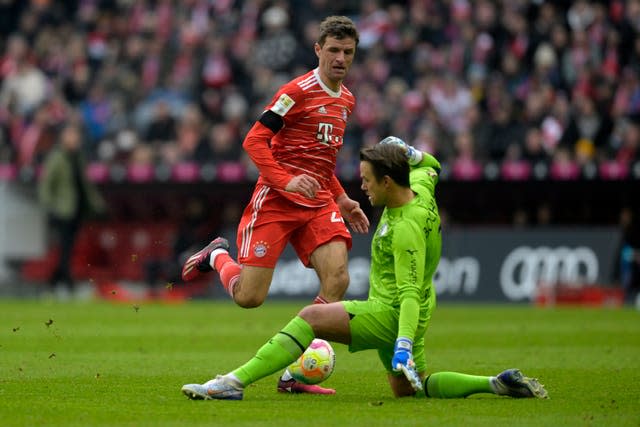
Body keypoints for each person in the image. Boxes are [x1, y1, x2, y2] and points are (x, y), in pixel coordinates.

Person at [181, 140, 549, 401]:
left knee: (310, 316)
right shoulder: (418, 187)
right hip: (420, 307)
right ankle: (495, 383)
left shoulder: (403, 229)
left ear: (387, 181)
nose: (362, 187)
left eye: (368, 180)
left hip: (392, 313)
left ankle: (234, 381)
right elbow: (431, 165)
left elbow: (404, 295)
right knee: (409, 387)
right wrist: (409, 151)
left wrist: (402, 342)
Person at [181, 16, 369, 394]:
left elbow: (321, 161)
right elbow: (254, 140)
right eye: (333, 50)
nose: (340, 58)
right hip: (277, 199)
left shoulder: (346, 100)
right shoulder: (296, 91)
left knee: (339, 278)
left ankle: (294, 372)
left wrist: (342, 198)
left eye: (348, 52)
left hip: (316, 203)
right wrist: (285, 180)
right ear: (318, 50)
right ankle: (218, 256)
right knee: (250, 298)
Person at [38, 123, 105, 298]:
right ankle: (66, 283)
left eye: (77, 136)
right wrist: (50, 207)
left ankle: (55, 282)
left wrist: (97, 204)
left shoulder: (78, 157)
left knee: (68, 248)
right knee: (65, 248)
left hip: (77, 210)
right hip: (63, 210)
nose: (76, 139)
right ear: (63, 137)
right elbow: (46, 185)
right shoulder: (57, 158)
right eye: (72, 135)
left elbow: (85, 184)